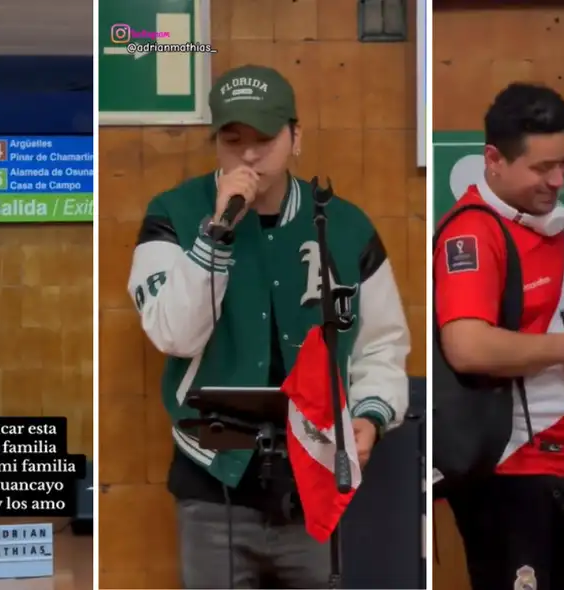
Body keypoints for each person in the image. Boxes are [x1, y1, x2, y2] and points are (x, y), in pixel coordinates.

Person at [126, 64, 410, 589]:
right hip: (213, 480)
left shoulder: (346, 226)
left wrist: (372, 415)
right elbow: (172, 334)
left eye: (266, 138)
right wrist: (215, 234)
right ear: (216, 144)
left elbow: (382, 344)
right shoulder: (172, 213)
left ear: (296, 137)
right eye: (234, 140)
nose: (250, 155)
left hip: (316, 476)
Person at [433, 82, 564, 590]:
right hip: (512, 475)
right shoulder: (475, 231)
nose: (557, 179)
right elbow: (466, 345)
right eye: (540, 168)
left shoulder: (549, 224)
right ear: (493, 159)